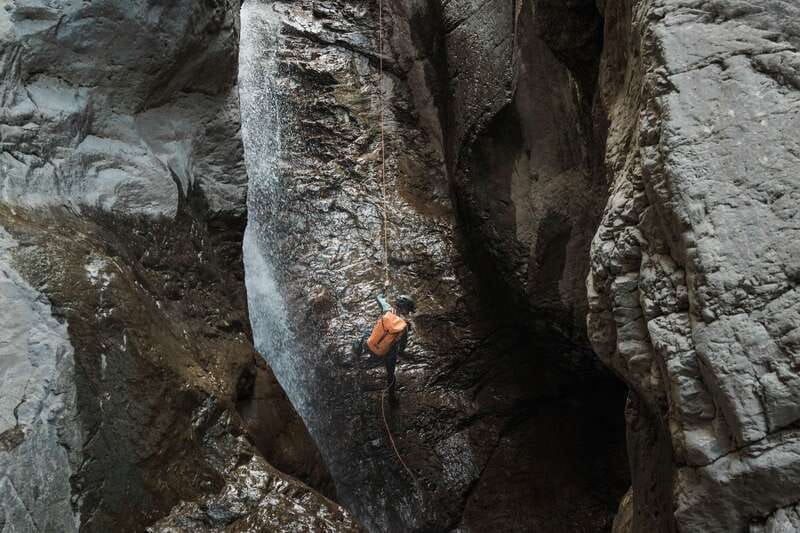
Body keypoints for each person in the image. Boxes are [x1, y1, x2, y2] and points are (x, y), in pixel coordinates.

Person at [353, 293, 416, 402]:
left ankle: (358, 351)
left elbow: (378, 298)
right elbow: (403, 346)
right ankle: (391, 397)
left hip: (369, 345)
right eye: (409, 311)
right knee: (391, 375)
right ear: (406, 310)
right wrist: (400, 351)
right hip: (385, 353)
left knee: (367, 331)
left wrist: (381, 294)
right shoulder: (404, 327)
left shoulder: (387, 309)